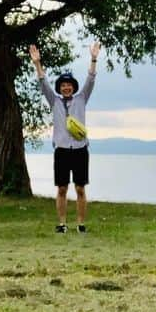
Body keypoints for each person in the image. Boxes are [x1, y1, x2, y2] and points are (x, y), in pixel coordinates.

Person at [30, 41, 99, 234]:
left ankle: (81, 224)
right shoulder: (55, 101)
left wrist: (93, 59)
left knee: (80, 189)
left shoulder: (82, 98)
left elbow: (91, 79)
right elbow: (43, 83)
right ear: (60, 88)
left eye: (69, 85)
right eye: (63, 85)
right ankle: (61, 224)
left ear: (73, 87)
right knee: (61, 189)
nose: (66, 88)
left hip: (80, 150)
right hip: (61, 150)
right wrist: (37, 63)